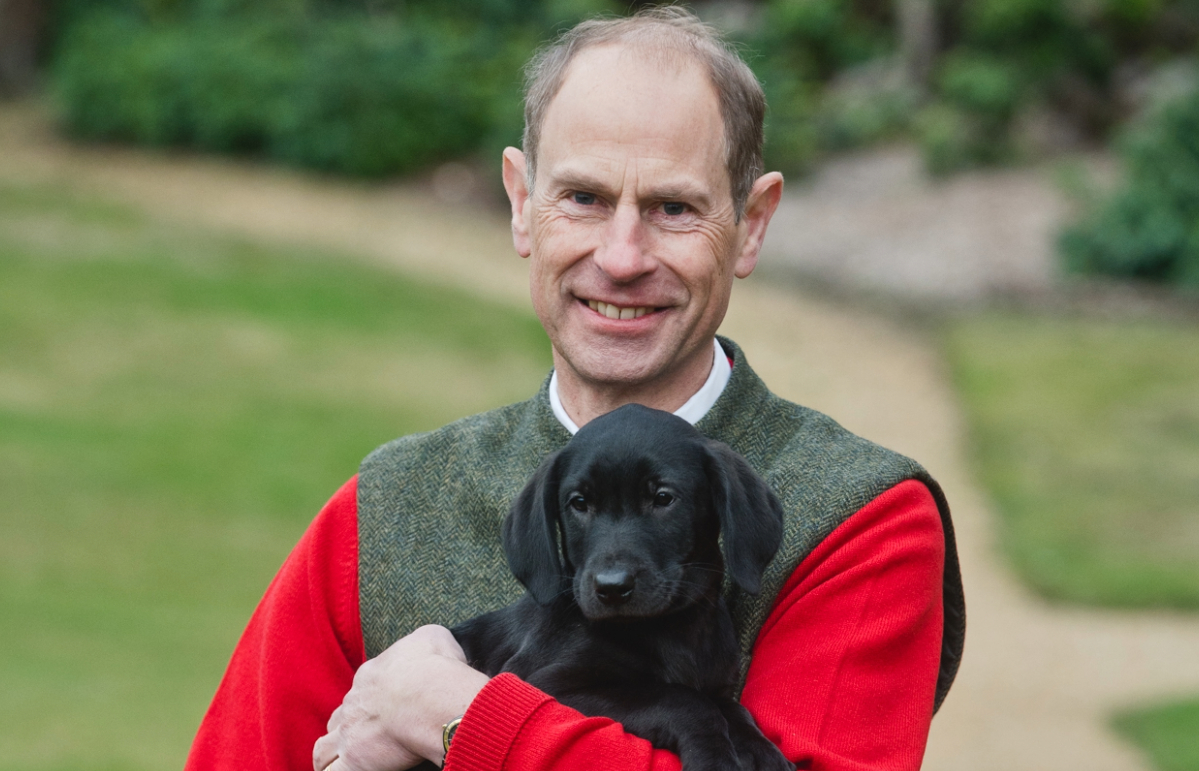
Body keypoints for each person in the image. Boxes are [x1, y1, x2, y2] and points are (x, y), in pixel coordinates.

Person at [185, 8, 964, 771]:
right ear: (523, 205)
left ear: (751, 224)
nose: (621, 256)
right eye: (584, 198)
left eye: (672, 207)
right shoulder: (383, 509)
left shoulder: (862, 519)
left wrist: (458, 716)